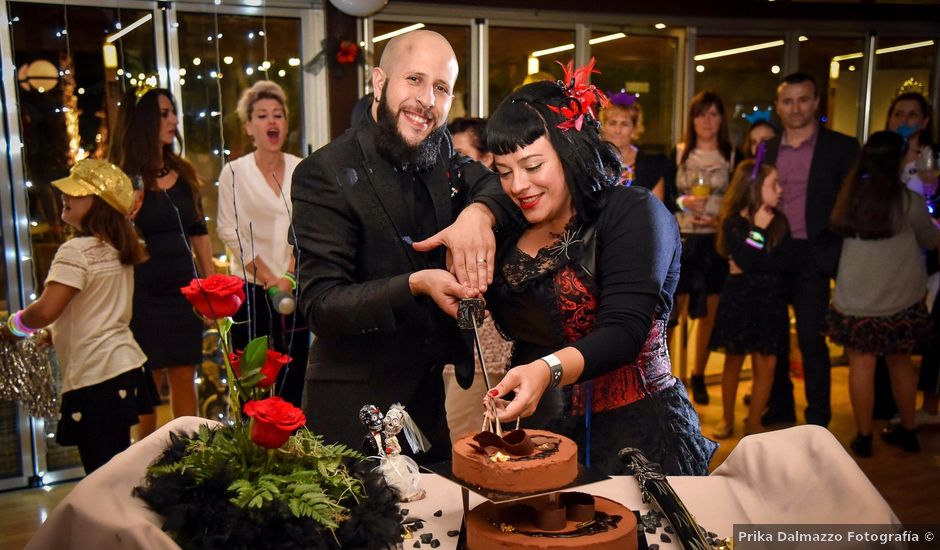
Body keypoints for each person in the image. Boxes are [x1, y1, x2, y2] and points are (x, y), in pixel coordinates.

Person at [290, 30, 516, 463]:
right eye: (414, 79)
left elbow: (495, 186)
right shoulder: (325, 171)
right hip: (352, 408)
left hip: (425, 403)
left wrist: (477, 214)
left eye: (441, 87)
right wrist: (414, 284)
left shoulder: (441, 152)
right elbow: (321, 304)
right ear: (379, 82)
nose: (426, 99)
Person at [485, 76, 716, 476]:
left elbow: (625, 331)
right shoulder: (511, 226)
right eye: (504, 172)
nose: (518, 185)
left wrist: (545, 371)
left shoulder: (632, 211)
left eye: (533, 165)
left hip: (635, 434)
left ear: (571, 151)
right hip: (541, 433)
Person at [1, 159, 153, 473]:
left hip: (95, 375)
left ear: (99, 204)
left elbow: (46, 309)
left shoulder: (76, 251)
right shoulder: (117, 248)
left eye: (76, 193)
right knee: (115, 471)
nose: (64, 198)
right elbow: (91, 309)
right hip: (123, 366)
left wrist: (12, 327)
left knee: (101, 478)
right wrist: (54, 333)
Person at [828, 131, 938, 457]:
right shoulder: (908, 202)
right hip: (901, 301)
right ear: (899, 158)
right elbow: (931, 241)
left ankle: (863, 438)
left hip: (856, 301)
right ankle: (908, 429)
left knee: (861, 365)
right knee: (900, 364)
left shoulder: (849, 198)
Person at [112, 88, 214, 436]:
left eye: (173, 112)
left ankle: (191, 456)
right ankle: (145, 465)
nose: (173, 120)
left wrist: (211, 285)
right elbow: (116, 239)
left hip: (183, 293)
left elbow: (199, 232)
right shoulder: (127, 177)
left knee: (185, 375)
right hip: (144, 295)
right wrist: (128, 214)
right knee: (148, 382)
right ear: (146, 121)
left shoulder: (183, 172)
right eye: (164, 113)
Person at [762, 73, 860, 427]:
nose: (796, 108)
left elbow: (854, 203)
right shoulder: (767, 149)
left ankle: (818, 418)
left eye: (803, 99)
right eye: (788, 101)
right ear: (778, 106)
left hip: (816, 256)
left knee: (810, 338)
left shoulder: (842, 148)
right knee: (774, 341)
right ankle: (780, 409)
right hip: (775, 252)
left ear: (817, 102)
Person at [216, 80, 309, 407]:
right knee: (252, 378)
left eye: (278, 115)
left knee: (293, 374)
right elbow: (229, 229)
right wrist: (270, 278)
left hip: (294, 284)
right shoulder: (233, 173)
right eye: (262, 115)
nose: (272, 121)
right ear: (249, 127)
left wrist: (289, 275)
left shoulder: (301, 168)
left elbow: (307, 227)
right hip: (252, 290)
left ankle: (295, 446)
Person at [709, 154, 792, 438]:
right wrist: (757, 231)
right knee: (734, 359)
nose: (780, 190)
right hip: (740, 300)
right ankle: (727, 417)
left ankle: (754, 421)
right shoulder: (733, 222)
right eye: (774, 184)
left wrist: (750, 261)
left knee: (766, 362)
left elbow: (780, 263)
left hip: (770, 301)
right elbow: (744, 259)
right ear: (755, 188)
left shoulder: (780, 221)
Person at [443, 117, 512, 441]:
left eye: (460, 155)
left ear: (485, 161)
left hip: (486, 349)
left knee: (469, 436)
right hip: (453, 347)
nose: (453, 165)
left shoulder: (497, 210)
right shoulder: (454, 202)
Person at [668, 91, 737, 406]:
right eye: (701, 114)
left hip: (715, 241)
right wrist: (685, 201)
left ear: (722, 118)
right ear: (692, 119)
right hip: (682, 239)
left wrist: (720, 212)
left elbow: (739, 200)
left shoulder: (732, 154)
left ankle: (698, 374)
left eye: (713, 114)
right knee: (671, 314)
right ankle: (666, 377)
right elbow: (668, 197)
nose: (707, 121)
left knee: (708, 313)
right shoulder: (680, 152)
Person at [600, 93, 668, 200]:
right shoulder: (593, 162)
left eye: (624, 124)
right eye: (613, 123)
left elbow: (657, 210)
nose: (618, 130)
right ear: (603, 126)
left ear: (635, 129)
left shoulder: (652, 165)